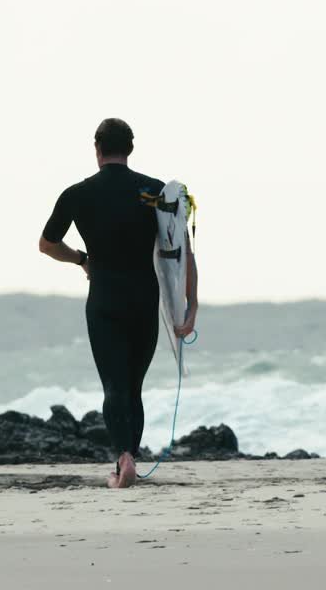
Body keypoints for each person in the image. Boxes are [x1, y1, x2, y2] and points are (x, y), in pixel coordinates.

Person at [39, 118, 198, 488]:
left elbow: (47, 245)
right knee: (134, 386)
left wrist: (82, 259)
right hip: (144, 299)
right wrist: (190, 308)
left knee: (113, 385)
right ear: (130, 147)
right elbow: (182, 253)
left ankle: (123, 458)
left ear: (97, 148)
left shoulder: (76, 195)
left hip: (104, 300)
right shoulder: (155, 191)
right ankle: (131, 458)